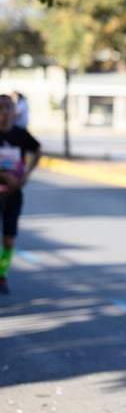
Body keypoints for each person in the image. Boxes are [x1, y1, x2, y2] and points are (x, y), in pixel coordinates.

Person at [0, 93, 42, 294]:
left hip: (13, 196)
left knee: (9, 239)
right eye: (1, 107)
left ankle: (2, 275)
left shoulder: (19, 134)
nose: (4, 112)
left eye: (8, 107)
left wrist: (26, 174)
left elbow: (38, 150)